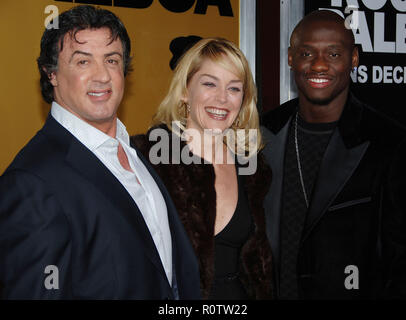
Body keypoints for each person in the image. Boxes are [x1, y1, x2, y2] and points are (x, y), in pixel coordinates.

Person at [0, 5, 200, 299]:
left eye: (111, 60)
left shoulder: (137, 153)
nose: (102, 76)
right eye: (82, 62)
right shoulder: (32, 181)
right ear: (51, 73)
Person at [261, 10, 406, 299]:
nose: (318, 65)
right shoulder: (262, 133)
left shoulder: (390, 142)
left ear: (353, 59)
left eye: (334, 55)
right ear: (291, 58)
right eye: (307, 53)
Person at [131, 38, 273, 299]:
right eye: (209, 84)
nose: (222, 98)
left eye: (234, 88)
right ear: (185, 90)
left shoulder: (252, 168)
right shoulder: (148, 160)